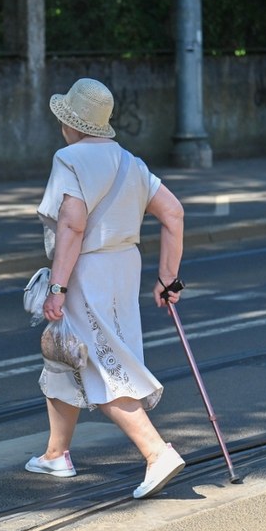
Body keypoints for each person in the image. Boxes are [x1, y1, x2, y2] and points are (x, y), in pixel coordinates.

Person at [24, 77, 187, 499]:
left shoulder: (69, 159)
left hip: (86, 270)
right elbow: (173, 214)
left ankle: (156, 452)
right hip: (123, 267)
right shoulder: (131, 162)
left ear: (70, 124)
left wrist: (57, 286)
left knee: (101, 361)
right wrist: (169, 279)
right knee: (65, 355)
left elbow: (72, 224)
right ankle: (56, 453)